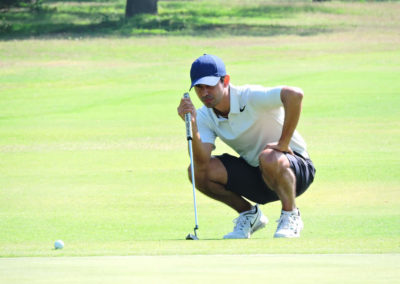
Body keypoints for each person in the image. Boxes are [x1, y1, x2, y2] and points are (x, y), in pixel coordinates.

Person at [177, 54, 316, 239]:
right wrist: (193, 126)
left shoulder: (250, 96)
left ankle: (291, 216)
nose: (204, 93)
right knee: (196, 171)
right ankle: (249, 215)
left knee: (268, 157)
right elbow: (201, 162)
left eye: (209, 85)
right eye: (199, 88)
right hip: (258, 174)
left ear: (225, 81)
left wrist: (283, 142)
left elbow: (295, 95)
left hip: (295, 169)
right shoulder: (203, 115)